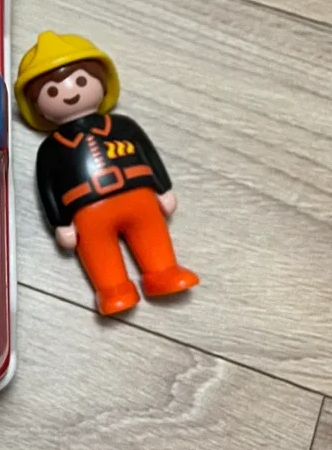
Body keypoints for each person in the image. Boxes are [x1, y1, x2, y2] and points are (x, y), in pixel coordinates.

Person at [15, 32, 198, 316]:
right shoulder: (50, 149)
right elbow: (47, 188)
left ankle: (163, 272)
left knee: (151, 232)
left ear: (103, 82)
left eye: (81, 81)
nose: (69, 93)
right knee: (98, 251)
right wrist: (60, 224)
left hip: (139, 197)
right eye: (51, 92)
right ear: (36, 107)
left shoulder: (124, 126)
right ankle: (112, 289)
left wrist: (163, 188)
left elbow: (148, 154)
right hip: (87, 213)